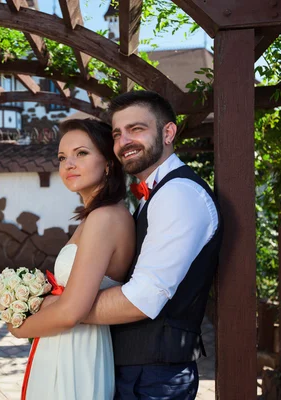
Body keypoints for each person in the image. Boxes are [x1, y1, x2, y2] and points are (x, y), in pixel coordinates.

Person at [49, 90, 222, 399]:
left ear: (168, 132)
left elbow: (142, 299)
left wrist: (64, 307)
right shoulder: (153, 195)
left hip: (154, 377)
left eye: (137, 129)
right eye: (117, 134)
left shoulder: (178, 194)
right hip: (137, 371)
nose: (124, 141)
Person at [8, 118, 136, 400]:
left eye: (81, 153)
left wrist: (19, 326)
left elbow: (70, 312)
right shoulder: (101, 215)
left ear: (108, 163)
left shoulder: (105, 218)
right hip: (71, 345)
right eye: (63, 157)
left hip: (76, 349)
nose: (68, 164)